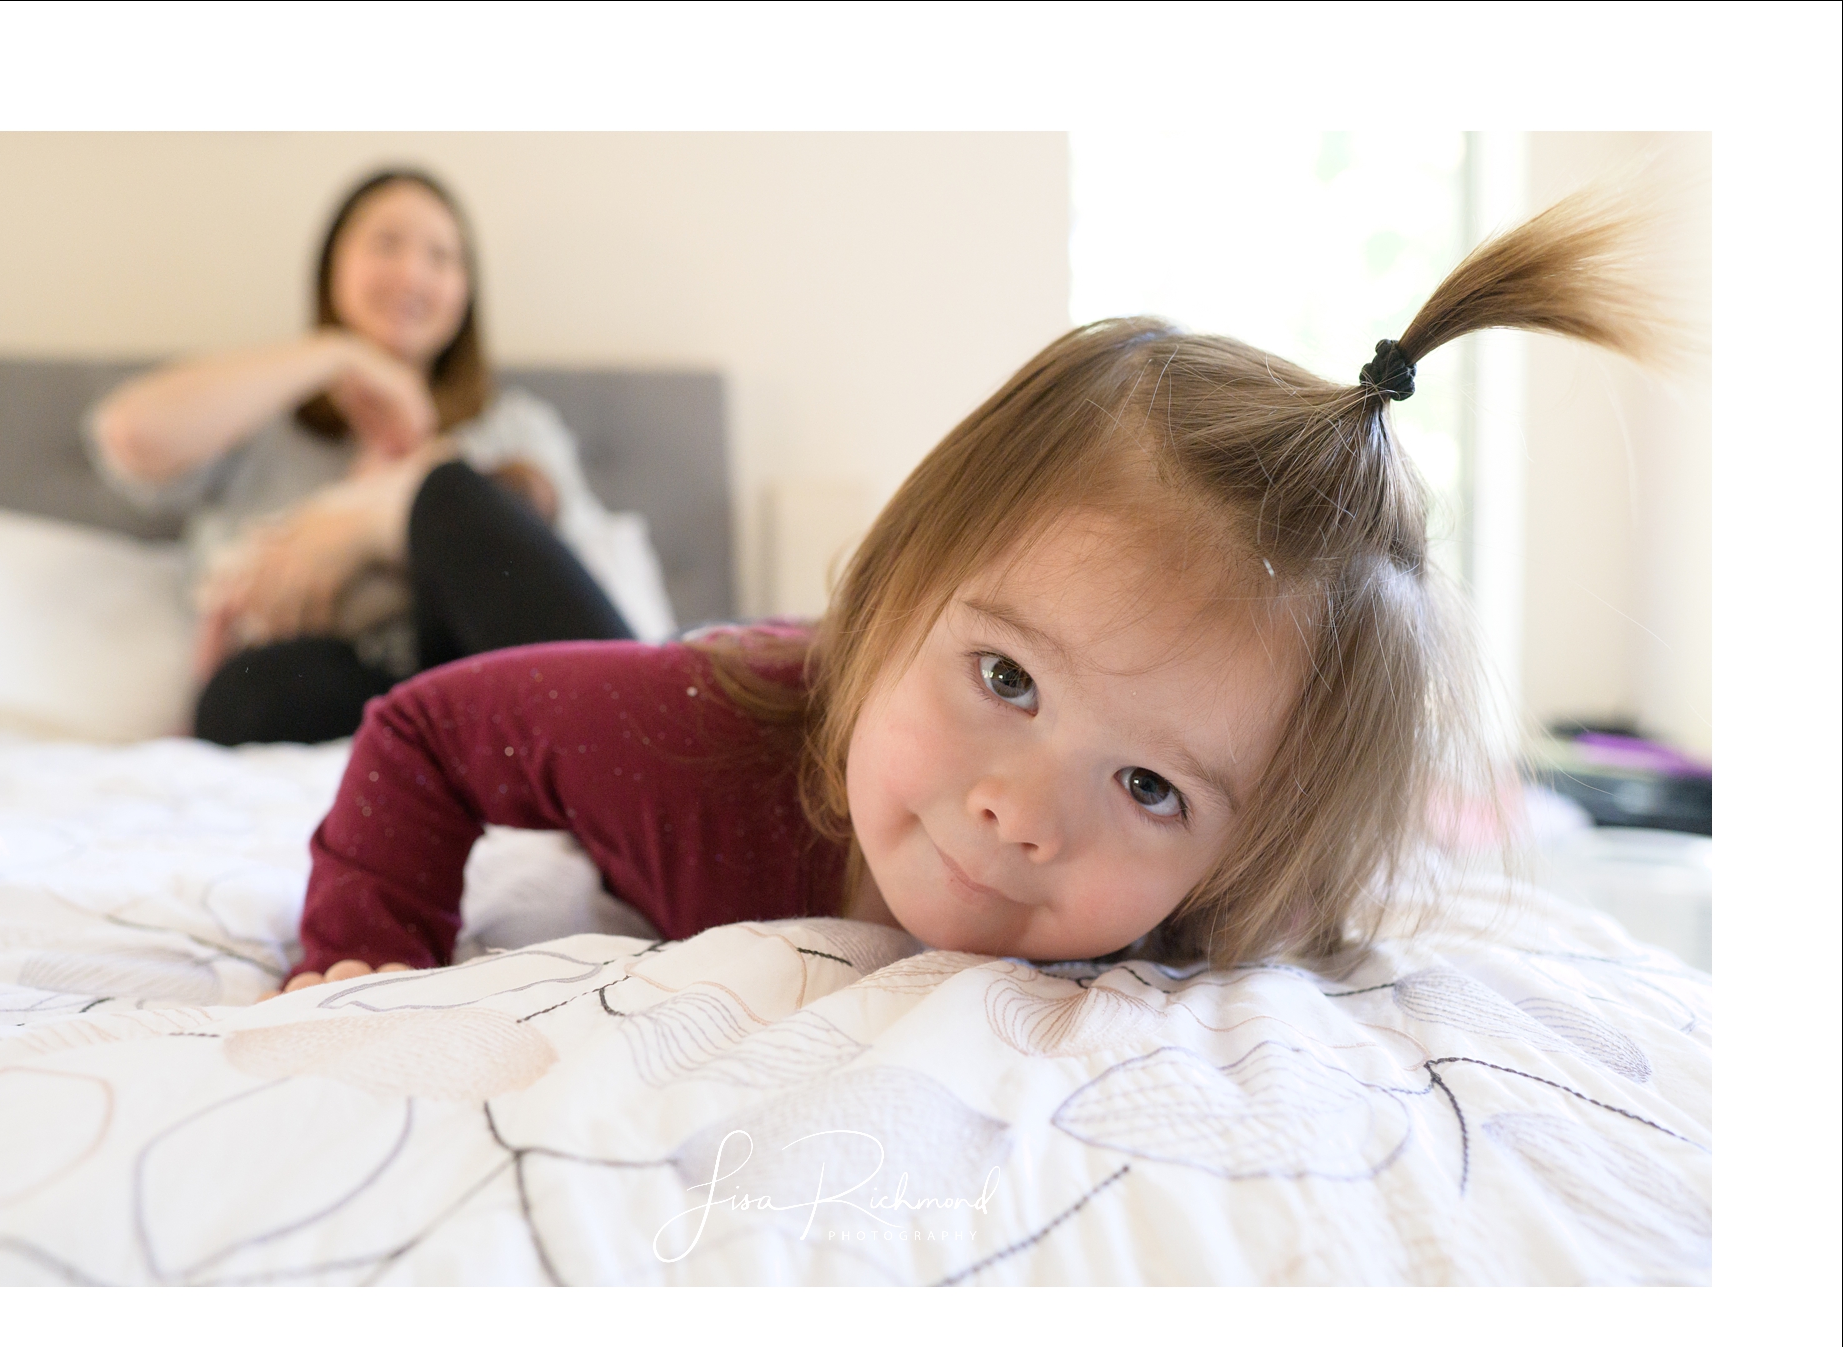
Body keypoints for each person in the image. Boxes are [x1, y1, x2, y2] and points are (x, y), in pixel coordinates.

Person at [273, 185, 1671, 995]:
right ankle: (403, 515)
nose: (1020, 810)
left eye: (1150, 789)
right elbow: (423, 732)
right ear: (898, 595)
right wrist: (361, 953)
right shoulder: (676, 739)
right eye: (1006, 677)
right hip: (712, 675)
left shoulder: (1210, 892)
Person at [87, 168, 661, 746]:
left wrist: (371, 522)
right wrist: (336, 354)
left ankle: (645, 745)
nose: (413, 273)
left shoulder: (509, 425)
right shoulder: (264, 424)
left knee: (450, 493)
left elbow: (542, 543)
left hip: (469, 658)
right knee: (249, 694)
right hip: (309, 682)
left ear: (465, 292)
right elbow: (129, 434)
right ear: (332, 266)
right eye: (386, 244)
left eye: (441, 257)